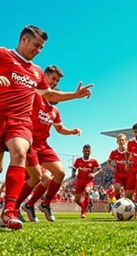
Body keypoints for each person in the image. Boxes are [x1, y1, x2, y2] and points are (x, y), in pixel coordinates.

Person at [0, 25, 93, 229]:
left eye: (41, 47)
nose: (38, 50)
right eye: (36, 45)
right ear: (24, 39)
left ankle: (9, 210)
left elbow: (50, 95)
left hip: (20, 122)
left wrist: (74, 95)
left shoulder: (36, 72)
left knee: (19, 152)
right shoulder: (3, 54)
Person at [19, 65, 82, 222]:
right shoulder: (35, 95)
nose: (54, 82)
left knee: (60, 173)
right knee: (40, 178)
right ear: (44, 77)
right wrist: (75, 95)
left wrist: (72, 131)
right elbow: (51, 94)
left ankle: (43, 204)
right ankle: (14, 207)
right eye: (53, 79)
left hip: (44, 145)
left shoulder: (55, 112)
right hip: (29, 142)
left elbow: (60, 129)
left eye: (57, 80)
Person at [72, 145, 102, 218]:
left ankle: (83, 212)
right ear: (83, 151)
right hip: (79, 181)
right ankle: (85, 207)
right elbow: (74, 168)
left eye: (88, 151)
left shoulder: (93, 161)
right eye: (85, 151)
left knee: (87, 191)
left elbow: (100, 169)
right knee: (76, 200)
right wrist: (74, 173)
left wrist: (94, 174)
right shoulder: (78, 160)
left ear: (90, 152)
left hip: (89, 181)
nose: (87, 152)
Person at [107, 133, 129, 200]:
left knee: (129, 194)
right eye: (119, 140)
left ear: (126, 141)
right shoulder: (114, 152)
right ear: (117, 141)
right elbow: (108, 161)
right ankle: (118, 202)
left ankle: (134, 206)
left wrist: (129, 165)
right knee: (116, 187)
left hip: (129, 174)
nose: (121, 142)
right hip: (119, 174)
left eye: (122, 140)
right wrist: (111, 167)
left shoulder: (130, 151)